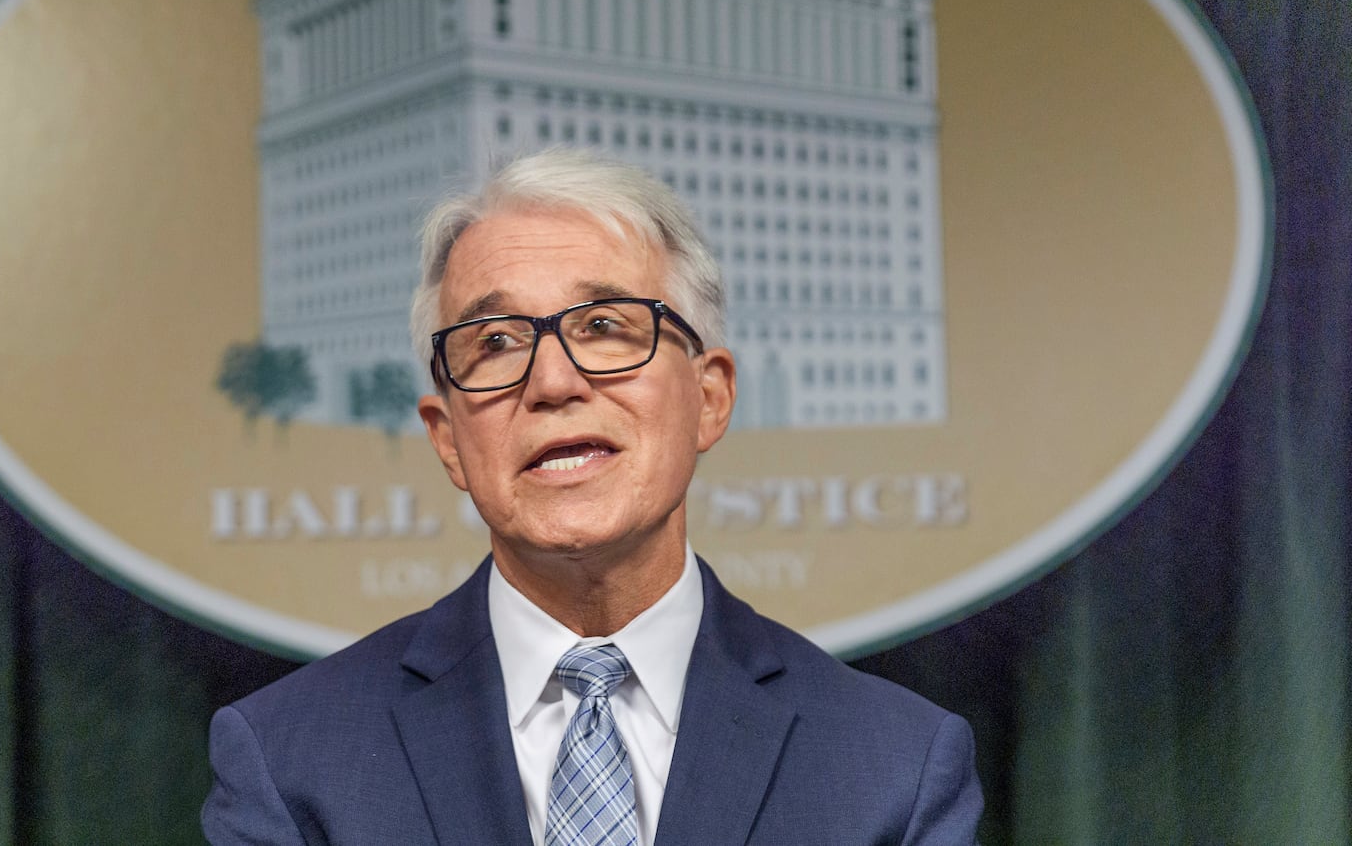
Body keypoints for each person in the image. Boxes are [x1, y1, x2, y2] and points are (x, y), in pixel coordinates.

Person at [203, 148, 983, 845]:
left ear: (710, 398)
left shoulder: (895, 768)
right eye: (496, 342)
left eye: (606, 325)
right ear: (447, 439)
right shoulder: (289, 759)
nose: (553, 382)